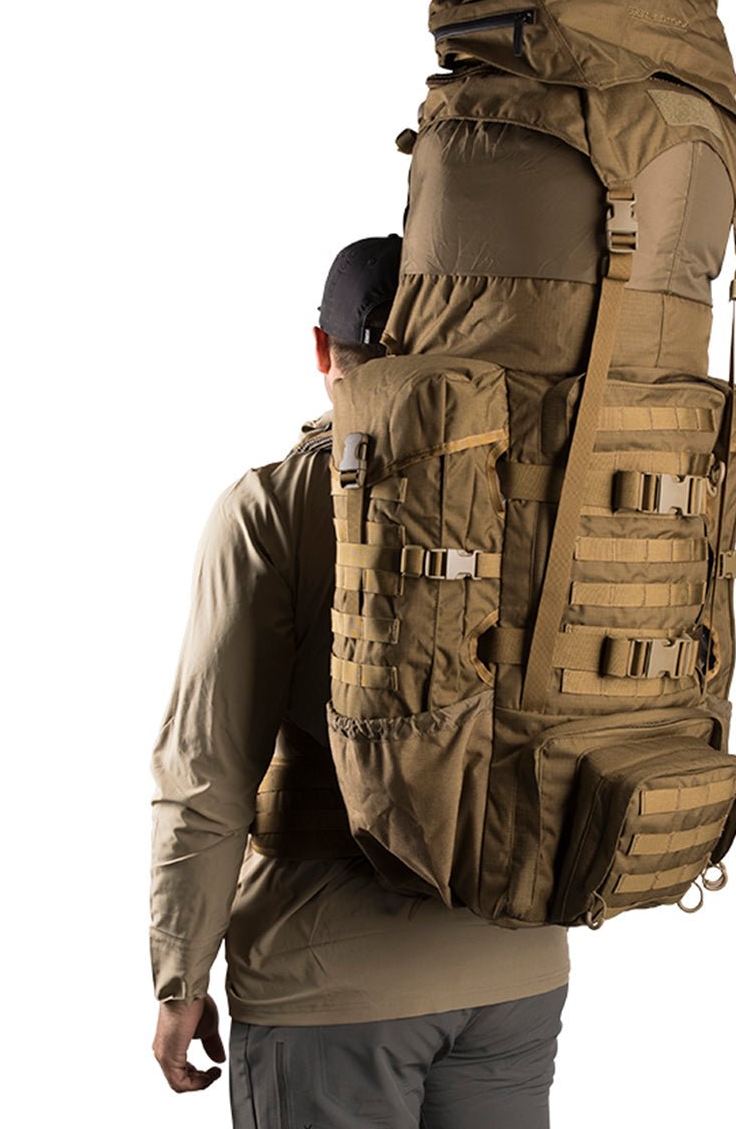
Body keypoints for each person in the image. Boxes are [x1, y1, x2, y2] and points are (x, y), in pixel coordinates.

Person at [149, 234, 570, 1129]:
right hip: (518, 969)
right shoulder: (532, 489)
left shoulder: (273, 506)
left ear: (320, 349)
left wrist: (180, 973)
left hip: (329, 981)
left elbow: (206, 765)